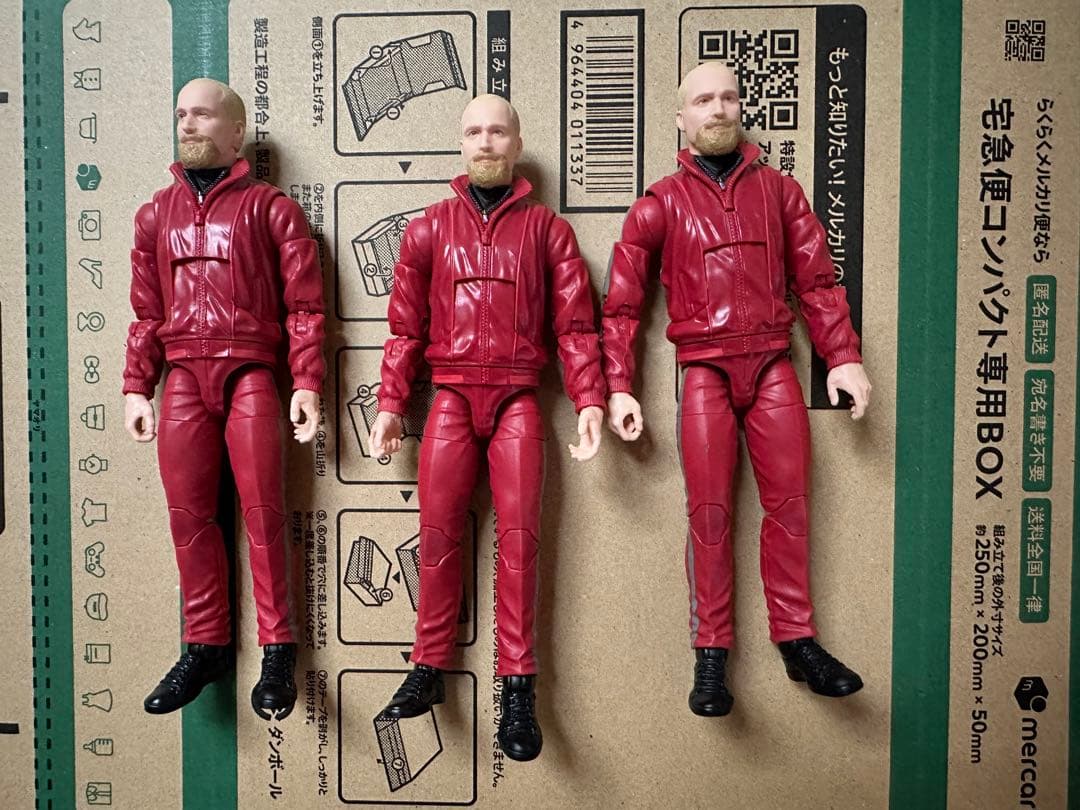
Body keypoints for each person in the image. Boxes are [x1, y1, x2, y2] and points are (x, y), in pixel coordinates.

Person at [602, 63, 871, 716]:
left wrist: (842, 356)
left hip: (773, 363)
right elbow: (622, 307)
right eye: (702, 100)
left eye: (727, 97)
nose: (717, 109)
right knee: (709, 514)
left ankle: (797, 639)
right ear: (682, 117)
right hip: (705, 370)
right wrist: (617, 386)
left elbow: (817, 281)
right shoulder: (659, 203)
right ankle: (711, 653)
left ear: (740, 108)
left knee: (791, 505)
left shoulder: (780, 193)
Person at [369, 94, 606, 761]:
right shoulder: (428, 230)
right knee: (437, 534)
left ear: (517, 142)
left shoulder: (548, 232)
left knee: (521, 542)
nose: (485, 142)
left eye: (498, 131)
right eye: (474, 131)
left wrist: (589, 399)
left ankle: (519, 687)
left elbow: (576, 328)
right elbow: (404, 328)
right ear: (460, 142)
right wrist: (390, 403)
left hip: (518, 401)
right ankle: (428, 666)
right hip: (449, 396)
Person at [123, 78, 325, 720]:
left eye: (204, 115)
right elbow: (146, 312)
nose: (189, 124)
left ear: (237, 132)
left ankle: (277, 650)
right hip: (183, 375)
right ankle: (206, 645)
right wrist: (136, 386)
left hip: (250, 373)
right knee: (188, 516)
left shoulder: (272, 210)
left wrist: (308, 382)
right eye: (182, 113)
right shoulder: (154, 216)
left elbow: (305, 309)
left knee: (264, 512)